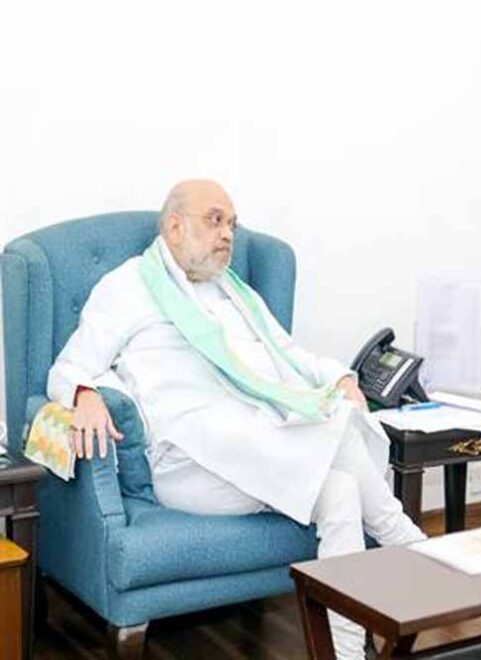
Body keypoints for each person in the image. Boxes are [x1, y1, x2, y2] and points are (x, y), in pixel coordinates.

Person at [48, 179, 424, 659]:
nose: (227, 233)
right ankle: (403, 539)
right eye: (215, 220)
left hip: (255, 441)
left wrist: (340, 378)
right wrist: (85, 395)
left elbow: (288, 352)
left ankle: (346, 653)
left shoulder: (235, 293)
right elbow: (68, 367)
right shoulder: (128, 287)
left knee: (342, 491)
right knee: (337, 432)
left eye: (232, 223)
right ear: (174, 227)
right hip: (188, 463)